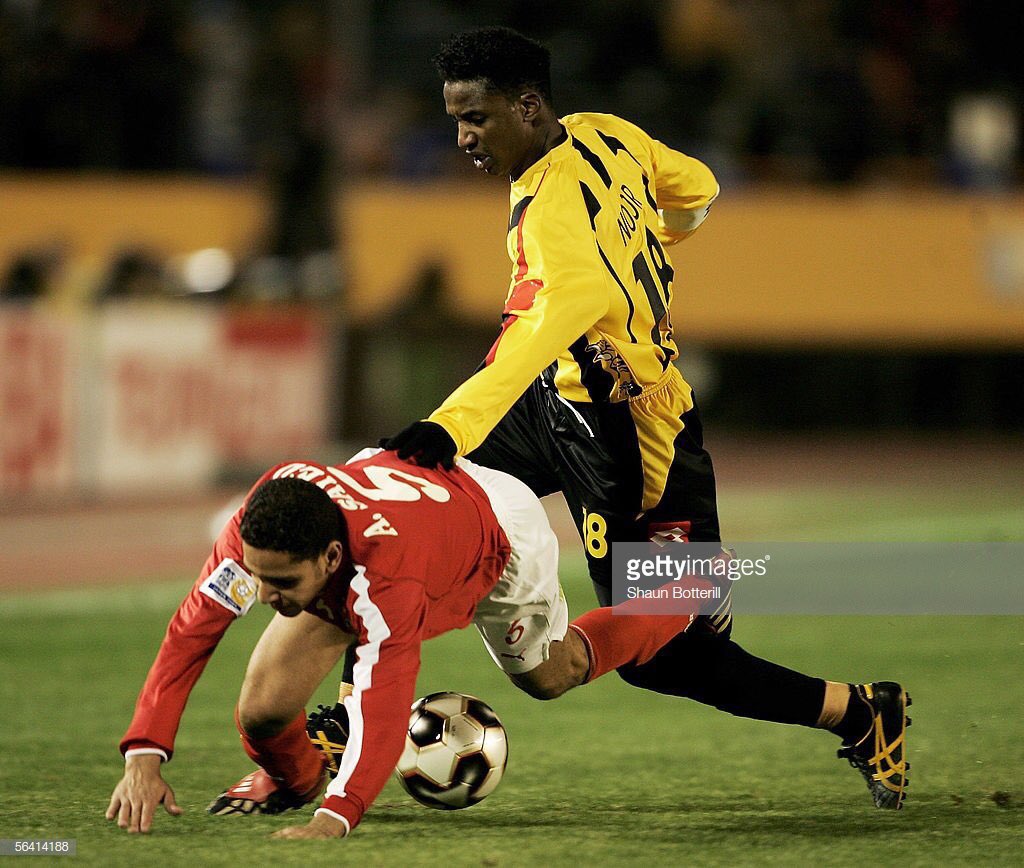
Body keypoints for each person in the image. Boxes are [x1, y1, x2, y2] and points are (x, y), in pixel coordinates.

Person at [380, 26, 910, 810]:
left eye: (476, 119)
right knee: (412, 505)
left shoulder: (546, 217)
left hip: (632, 438)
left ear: (527, 107)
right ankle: (347, 722)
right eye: (455, 119)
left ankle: (861, 712)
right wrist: (659, 241)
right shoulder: (607, 134)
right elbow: (700, 187)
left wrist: (450, 425)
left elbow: (538, 329)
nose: (462, 139)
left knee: (669, 658)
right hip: (557, 401)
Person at [105, 449, 905, 840]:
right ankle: (297, 772)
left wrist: (339, 818)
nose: (265, 596)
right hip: (410, 506)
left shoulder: (387, 584)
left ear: (328, 559)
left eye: (281, 585)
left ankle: (686, 586)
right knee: (263, 710)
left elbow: (386, 698)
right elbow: (193, 629)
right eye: (260, 579)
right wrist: (146, 752)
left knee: (549, 675)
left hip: (494, 531)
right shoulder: (264, 530)